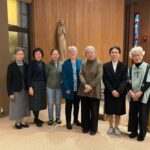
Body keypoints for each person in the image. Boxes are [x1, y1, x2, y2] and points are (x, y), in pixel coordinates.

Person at [78, 46, 103, 135]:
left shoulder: (99, 63)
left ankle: (93, 129)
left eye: (92, 52)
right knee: (85, 110)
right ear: (86, 54)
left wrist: (90, 86)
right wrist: (85, 85)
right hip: (84, 91)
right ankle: (85, 127)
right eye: (88, 52)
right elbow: (80, 74)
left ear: (95, 53)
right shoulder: (83, 63)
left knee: (94, 111)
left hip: (94, 91)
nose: (90, 54)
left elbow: (99, 76)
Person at [103, 46, 127, 135]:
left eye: (116, 52)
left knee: (118, 111)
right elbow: (105, 79)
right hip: (109, 92)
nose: (114, 54)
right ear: (110, 54)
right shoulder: (105, 66)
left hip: (120, 93)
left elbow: (125, 80)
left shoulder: (124, 65)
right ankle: (110, 127)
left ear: (119, 54)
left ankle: (116, 127)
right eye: (112, 52)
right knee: (109, 110)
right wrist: (112, 90)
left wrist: (119, 91)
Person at [127, 46, 150, 141]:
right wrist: (131, 92)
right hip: (133, 94)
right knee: (133, 113)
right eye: (134, 55)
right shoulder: (131, 68)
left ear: (142, 56)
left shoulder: (148, 67)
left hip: (143, 94)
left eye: (138, 55)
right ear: (132, 57)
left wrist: (140, 92)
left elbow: (148, 81)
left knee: (143, 114)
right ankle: (134, 131)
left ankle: (142, 133)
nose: (136, 57)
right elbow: (128, 81)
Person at [7, 47, 30, 129]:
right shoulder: (11, 66)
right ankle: (17, 122)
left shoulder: (26, 65)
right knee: (17, 107)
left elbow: (28, 78)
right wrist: (10, 93)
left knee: (24, 106)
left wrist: (30, 87)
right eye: (19, 54)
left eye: (22, 54)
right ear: (15, 55)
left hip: (25, 89)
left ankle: (23, 121)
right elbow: (8, 81)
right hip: (16, 90)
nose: (20, 56)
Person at [62, 46, 82, 130]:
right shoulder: (65, 63)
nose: (72, 53)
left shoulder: (80, 62)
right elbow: (64, 76)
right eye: (71, 52)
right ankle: (68, 122)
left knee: (77, 106)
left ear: (76, 53)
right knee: (68, 107)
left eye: (74, 51)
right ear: (69, 53)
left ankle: (76, 120)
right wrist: (66, 88)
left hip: (78, 89)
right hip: (69, 89)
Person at [28, 48, 47, 127]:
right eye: (36, 54)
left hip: (42, 85)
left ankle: (37, 118)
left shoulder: (43, 64)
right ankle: (36, 119)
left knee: (39, 103)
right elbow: (28, 77)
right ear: (34, 55)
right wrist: (30, 87)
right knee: (35, 103)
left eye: (39, 53)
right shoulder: (31, 64)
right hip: (34, 85)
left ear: (42, 55)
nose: (38, 55)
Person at [46, 49, 63, 125]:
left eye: (56, 54)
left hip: (59, 87)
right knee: (50, 104)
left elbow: (63, 75)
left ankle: (58, 118)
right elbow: (45, 75)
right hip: (50, 87)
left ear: (58, 55)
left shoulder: (62, 64)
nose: (55, 55)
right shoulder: (48, 64)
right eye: (53, 54)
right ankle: (50, 119)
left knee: (58, 103)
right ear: (51, 55)